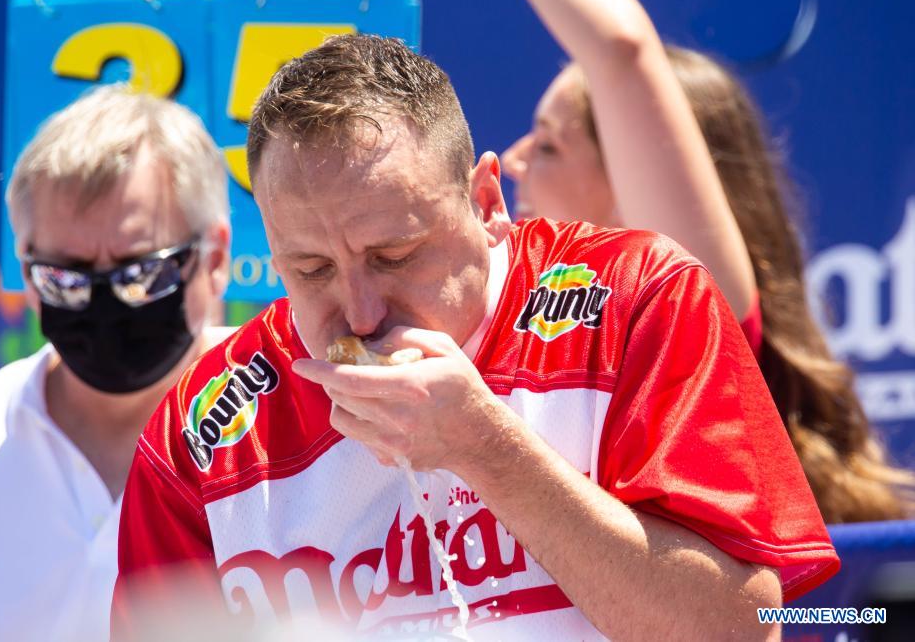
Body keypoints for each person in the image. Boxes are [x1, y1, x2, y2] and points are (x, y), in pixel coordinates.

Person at [112, 34, 839, 640]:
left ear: (487, 202)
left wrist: (484, 447)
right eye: (310, 270)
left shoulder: (634, 298)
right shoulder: (200, 434)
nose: (360, 314)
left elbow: (741, 627)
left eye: (395, 256)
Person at [496, 0, 915, 523]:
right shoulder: (524, 326)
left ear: (633, 180)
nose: (514, 160)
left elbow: (619, 47)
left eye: (548, 145)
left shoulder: (688, 307)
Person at [0, 85, 233, 641]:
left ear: (214, 259)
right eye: (65, 278)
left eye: (140, 273)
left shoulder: (297, 436)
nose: (104, 304)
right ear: (26, 275)